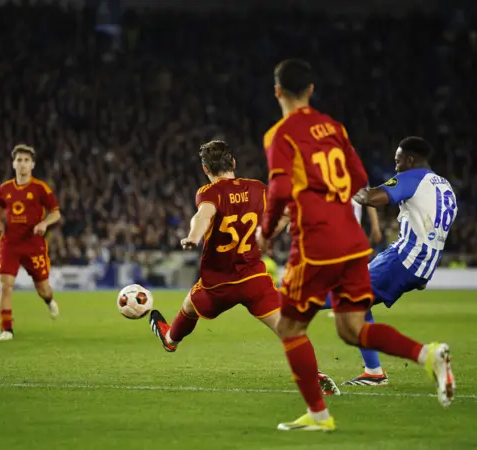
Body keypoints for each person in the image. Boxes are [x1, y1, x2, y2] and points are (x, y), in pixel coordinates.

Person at [257, 59, 455, 432]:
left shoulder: (279, 135)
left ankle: (319, 416)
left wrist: (267, 230)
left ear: (277, 92)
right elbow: (360, 178)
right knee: (351, 327)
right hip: (352, 242)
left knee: (289, 327)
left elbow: (281, 189)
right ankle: (427, 355)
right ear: (311, 90)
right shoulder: (334, 127)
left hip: (317, 242)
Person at [147, 140, 339, 393]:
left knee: (188, 308)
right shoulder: (258, 188)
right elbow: (284, 214)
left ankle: (171, 339)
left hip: (218, 284)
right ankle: (312, 375)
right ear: (233, 163)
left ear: (206, 169)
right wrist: (266, 237)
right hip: (253, 280)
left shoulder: (209, 192)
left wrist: (194, 237)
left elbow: (203, 215)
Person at [338, 136, 458, 386]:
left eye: (398, 160)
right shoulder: (445, 186)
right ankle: (374, 372)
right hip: (421, 263)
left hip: (404, 257)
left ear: (410, 160)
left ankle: (426, 355)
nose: (396, 167)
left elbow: (372, 197)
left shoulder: (412, 177)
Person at [0, 144, 61, 341]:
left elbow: (56, 213)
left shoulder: (41, 188)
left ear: (32, 164)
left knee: (43, 289)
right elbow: (0, 207)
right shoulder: (4, 188)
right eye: (19, 160)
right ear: (13, 164)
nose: (22, 164)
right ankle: (6, 328)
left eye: (26, 161)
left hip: (33, 244)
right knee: (6, 284)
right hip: (10, 244)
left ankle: (49, 301)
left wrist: (44, 223)